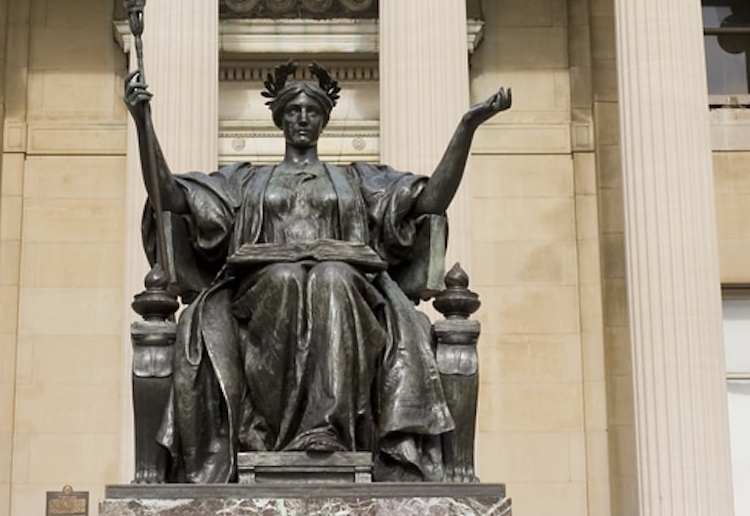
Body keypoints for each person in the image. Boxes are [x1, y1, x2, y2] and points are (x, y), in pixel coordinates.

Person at [125, 57, 511, 483]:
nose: (303, 119)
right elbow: (172, 198)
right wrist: (143, 123)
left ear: (325, 120)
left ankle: (323, 432)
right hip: (262, 290)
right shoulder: (247, 182)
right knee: (286, 278)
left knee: (331, 277)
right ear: (279, 119)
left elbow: (429, 202)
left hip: (346, 289)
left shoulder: (358, 181)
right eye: (293, 111)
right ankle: (276, 432)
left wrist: (466, 128)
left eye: (312, 111)